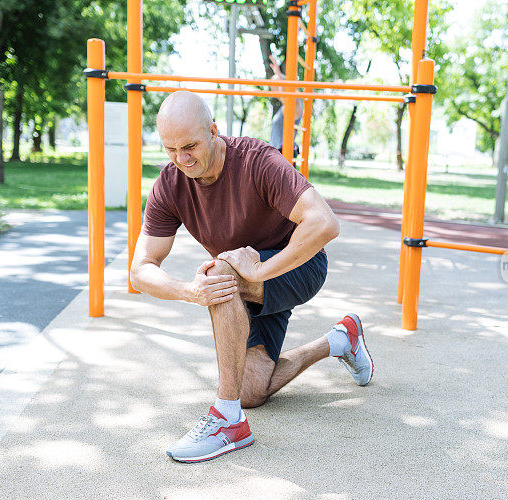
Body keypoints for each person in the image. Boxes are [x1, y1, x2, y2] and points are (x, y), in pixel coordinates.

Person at [130, 91, 373, 463]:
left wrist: (259, 269)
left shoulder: (257, 161)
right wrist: (188, 291)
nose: (182, 159)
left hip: (299, 267)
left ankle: (227, 420)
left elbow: (325, 223)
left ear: (213, 131)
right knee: (253, 391)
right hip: (246, 287)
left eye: (190, 145)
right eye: (170, 150)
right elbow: (141, 270)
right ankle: (340, 340)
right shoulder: (170, 184)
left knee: (220, 271)